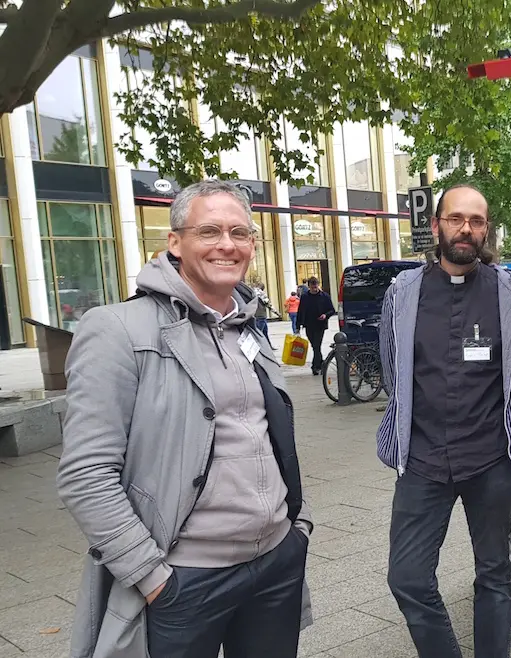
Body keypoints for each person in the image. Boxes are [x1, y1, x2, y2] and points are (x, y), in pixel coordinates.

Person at [56, 179, 313, 658]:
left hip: (276, 563)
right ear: (174, 242)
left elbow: (271, 435)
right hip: (183, 579)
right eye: (209, 231)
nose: (227, 245)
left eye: (240, 233)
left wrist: (299, 527)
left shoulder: (247, 326)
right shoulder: (117, 329)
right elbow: (85, 473)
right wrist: (152, 578)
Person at [377, 183, 511, 658]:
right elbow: (393, 370)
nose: (465, 229)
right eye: (455, 219)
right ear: (437, 226)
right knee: (406, 577)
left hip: (489, 458)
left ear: (486, 229)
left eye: (476, 220)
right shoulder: (402, 294)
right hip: (423, 457)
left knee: (493, 575)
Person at [296, 276, 335, 375]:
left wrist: (325, 315)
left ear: (318, 285)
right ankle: (322, 363)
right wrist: (297, 326)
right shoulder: (305, 297)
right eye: (312, 287)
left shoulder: (324, 296)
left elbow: (332, 310)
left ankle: (315, 366)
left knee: (317, 345)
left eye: (316, 287)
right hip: (309, 325)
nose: (314, 289)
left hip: (320, 325)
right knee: (314, 346)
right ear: (309, 286)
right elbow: (300, 311)